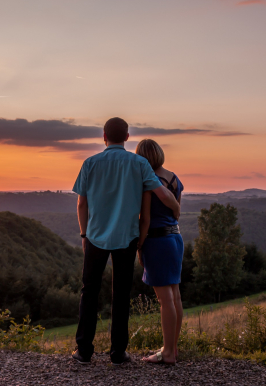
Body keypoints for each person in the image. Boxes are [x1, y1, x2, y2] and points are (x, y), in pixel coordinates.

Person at [71, 118, 181, 365]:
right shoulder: (139, 163)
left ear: (103, 136)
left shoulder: (90, 163)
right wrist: (176, 208)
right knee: (120, 294)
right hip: (127, 237)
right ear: (128, 136)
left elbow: (81, 202)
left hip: (96, 236)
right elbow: (162, 193)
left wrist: (84, 235)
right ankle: (118, 353)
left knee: (89, 292)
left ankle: (84, 351)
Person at [135, 139, 184, 365]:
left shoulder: (148, 180)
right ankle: (172, 349)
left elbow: (145, 219)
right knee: (174, 296)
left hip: (157, 241)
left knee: (165, 300)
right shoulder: (174, 178)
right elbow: (176, 212)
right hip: (175, 237)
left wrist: (139, 246)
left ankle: (167, 354)